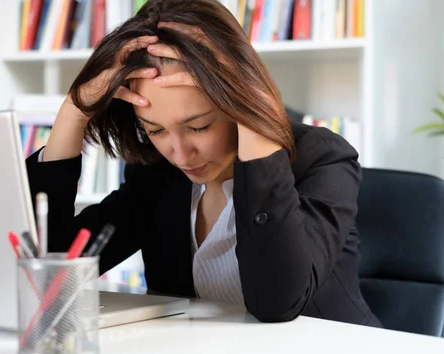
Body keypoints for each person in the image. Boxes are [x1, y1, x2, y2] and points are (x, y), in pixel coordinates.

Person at [26, 0, 382, 327]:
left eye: (199, 126)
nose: (179, 154)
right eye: (155, 130)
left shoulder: (322, 158)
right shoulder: (158, 175)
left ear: (235, 98)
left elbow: (278, 303)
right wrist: (72, 114)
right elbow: (52, 270)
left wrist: (251, 108)